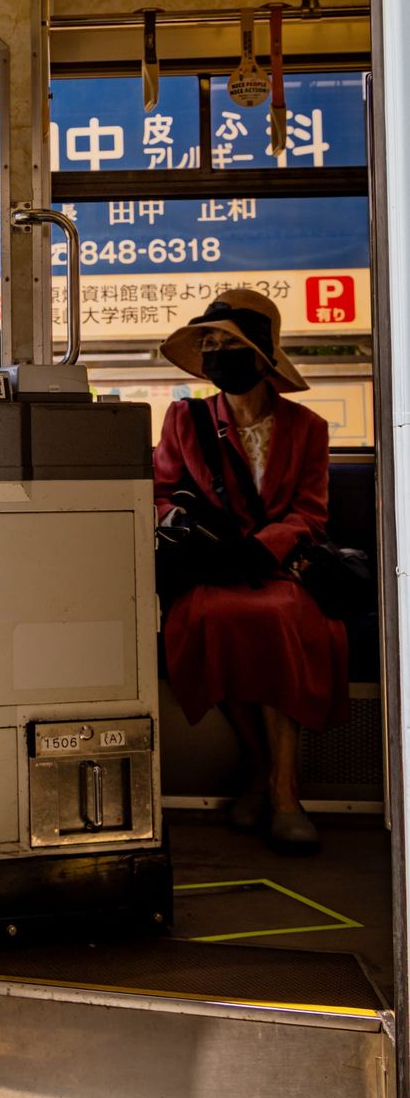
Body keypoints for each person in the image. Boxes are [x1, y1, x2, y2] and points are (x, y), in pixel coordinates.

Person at [154, 289, 345, 854]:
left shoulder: (307, 428)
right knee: (212, 618)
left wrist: (264, 549)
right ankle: (268, 774)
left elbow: (311, 511)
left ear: (261, 357)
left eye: (224, 344)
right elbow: (163, 491)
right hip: (211, 568)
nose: (213, 354)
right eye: (207, 343)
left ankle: (281, 791)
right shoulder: (184, 419)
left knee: (282, 618)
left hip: (278, 570)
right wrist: (192, 530)